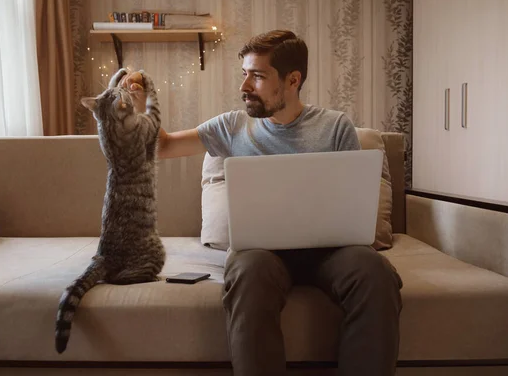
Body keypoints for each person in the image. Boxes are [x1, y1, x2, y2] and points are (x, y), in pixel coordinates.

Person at [121, 29, 403, 376]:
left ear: (292, 80)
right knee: (247, 272)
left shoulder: (335, 126)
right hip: (262, 253)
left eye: (257, 76)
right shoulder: (231, 126)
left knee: (375, 272)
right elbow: (163, 147)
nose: (244, 86)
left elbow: (353, 197)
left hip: (331, 250)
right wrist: (140, 108)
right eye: (244, 74)